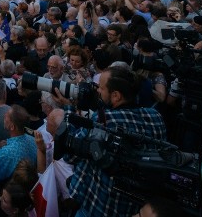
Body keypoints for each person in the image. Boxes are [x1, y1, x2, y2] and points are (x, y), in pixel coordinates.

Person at [64, 65, 167, 217]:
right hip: (136, 207)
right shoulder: (156, 116)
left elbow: (70, 154)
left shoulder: (105, 121)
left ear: (116, 96)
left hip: (100, 207)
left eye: (101, 88)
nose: (97, 91)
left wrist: (69, 108)